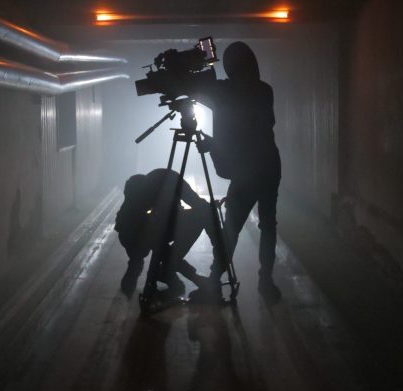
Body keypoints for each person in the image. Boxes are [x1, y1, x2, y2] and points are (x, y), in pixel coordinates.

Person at [187, 41, 282, 299]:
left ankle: (215, 278)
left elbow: (203, 92)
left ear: (230, 67)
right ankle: (266, 282)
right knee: (268, 225)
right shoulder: (264, 90)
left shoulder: (224, 92)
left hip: (247, 169)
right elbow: (252, 128)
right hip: (270, 164)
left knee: (231, 227)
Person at [115, 168, 212, 297]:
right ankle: (161, 272)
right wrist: (194, 277)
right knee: (149, 252)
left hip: (135, 230)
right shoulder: (155, 188)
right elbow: (162, 249)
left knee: (138, 259)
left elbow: (196, 204)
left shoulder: (151, 185)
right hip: (138, 230)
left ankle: (144, 269)